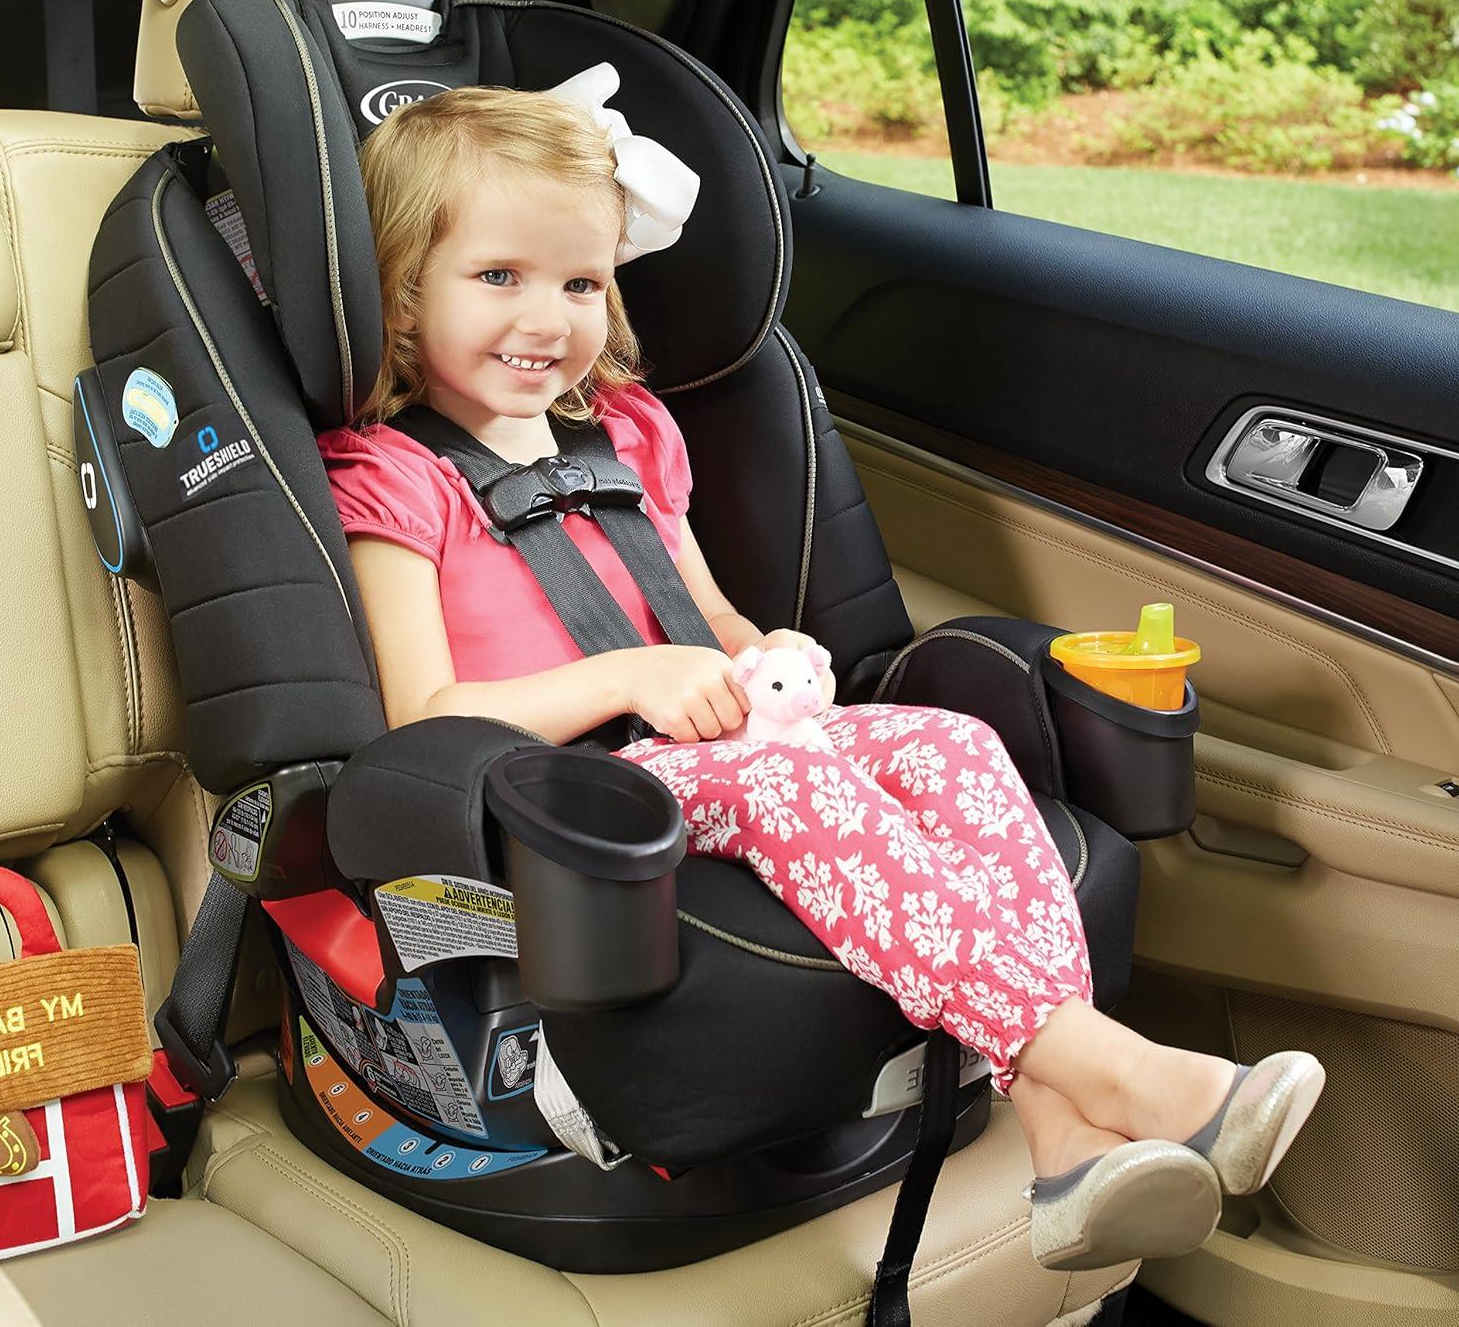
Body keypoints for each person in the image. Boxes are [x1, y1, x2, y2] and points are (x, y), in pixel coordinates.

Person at [317, 78, 1324, 1271]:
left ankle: (1062, 1140)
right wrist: (633, 679)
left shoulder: (628, 434)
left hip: (713, 733)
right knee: (789, 787)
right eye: (500, 277)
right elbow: (425, 715)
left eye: (581, 283)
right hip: (570, 796)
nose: (549, 318)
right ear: (400, 291)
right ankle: (1110, 1068)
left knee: (954, 742)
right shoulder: (391, 478)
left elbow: (703, 609)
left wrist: (760, 650)